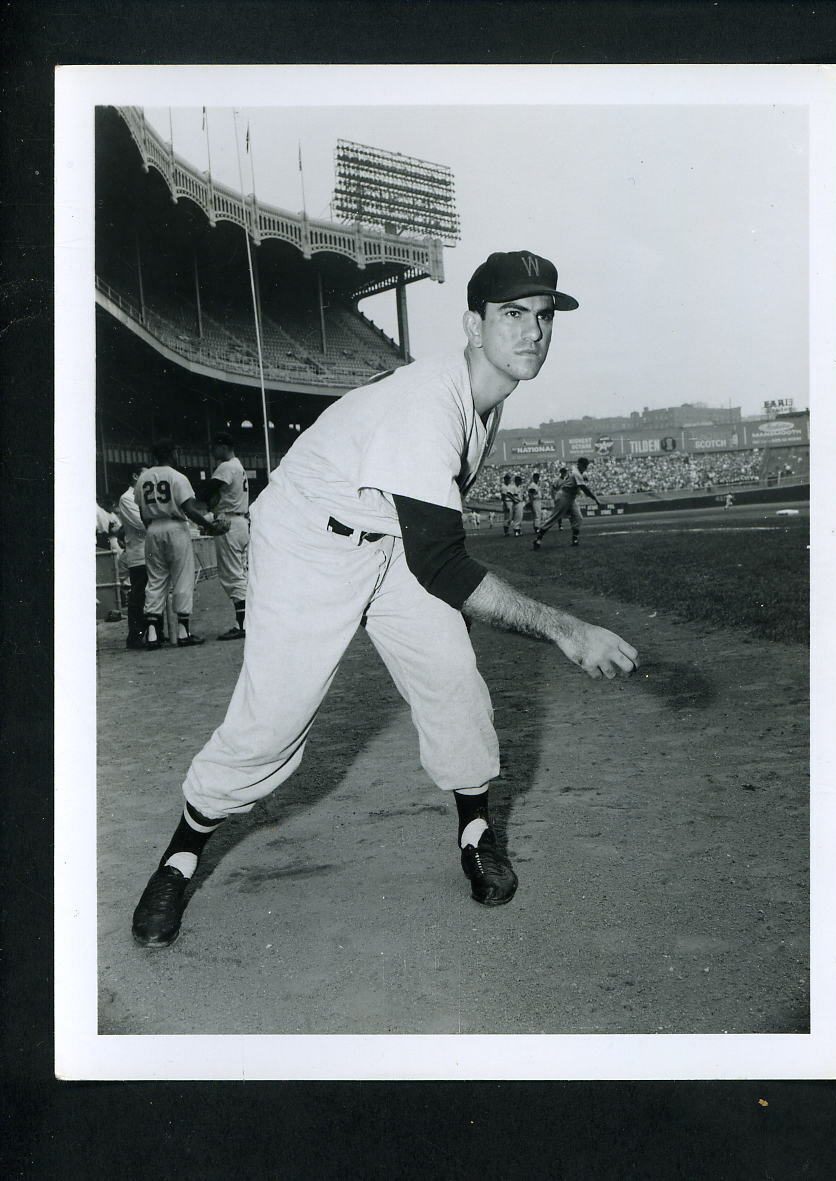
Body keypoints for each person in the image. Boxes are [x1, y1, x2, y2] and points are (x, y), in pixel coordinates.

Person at [131, 249, 639, 949]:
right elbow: (442, 565)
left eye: (544, 317)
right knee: (272, 722)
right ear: (472, 323)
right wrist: (564, 628)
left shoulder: (483, 404)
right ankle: (180, 855)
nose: (533, 332)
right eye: (512, 314)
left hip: (388, 539)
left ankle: (476, 828)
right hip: (312, 537)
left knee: (453, 678)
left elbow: (423, 547)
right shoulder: (433, 399)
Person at [136, 439, 228, 649]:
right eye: (176, 451)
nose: (178, 454)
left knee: (156, 580)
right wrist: (208, 526)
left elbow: (142, 513)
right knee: (182, 578)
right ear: (170, 453)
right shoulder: (177, 477)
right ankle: (183, 632)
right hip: (175, 527)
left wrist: (152, 528)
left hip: (152, 528)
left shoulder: (143, 478)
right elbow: (189, 508)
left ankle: (152, 634)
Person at [200, 431, 250, 640]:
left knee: (232, 575)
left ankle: (243, 625)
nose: (213, 451)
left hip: (228, 521)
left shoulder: (227, 466)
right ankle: (248, 621)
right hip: (241, 522)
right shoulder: (239, 466)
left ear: (223, 446)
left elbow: (207, 489)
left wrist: (201, 504)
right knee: (242, 573)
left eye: (215, 447)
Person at [534, 456, 602, 548]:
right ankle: (538, 539)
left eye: (586, 466)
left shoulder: (576, 471)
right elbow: (584, 489)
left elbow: (581, 479)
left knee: (578, 517)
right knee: (554, 517)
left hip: (571, 497)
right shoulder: (576, 473)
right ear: (580, 465)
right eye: (584, 466)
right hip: (564, 496)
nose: (585, 468)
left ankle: (575, 539)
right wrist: (595, 499)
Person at [116, 470, 148, 649]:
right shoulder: (127, 498)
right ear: (135, 476)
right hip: (137, 552)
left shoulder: (144, 495)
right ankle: (135, 635)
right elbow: (141, 523)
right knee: (138, 595)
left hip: (151, 551)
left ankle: (153, 632)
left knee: (152, 594)